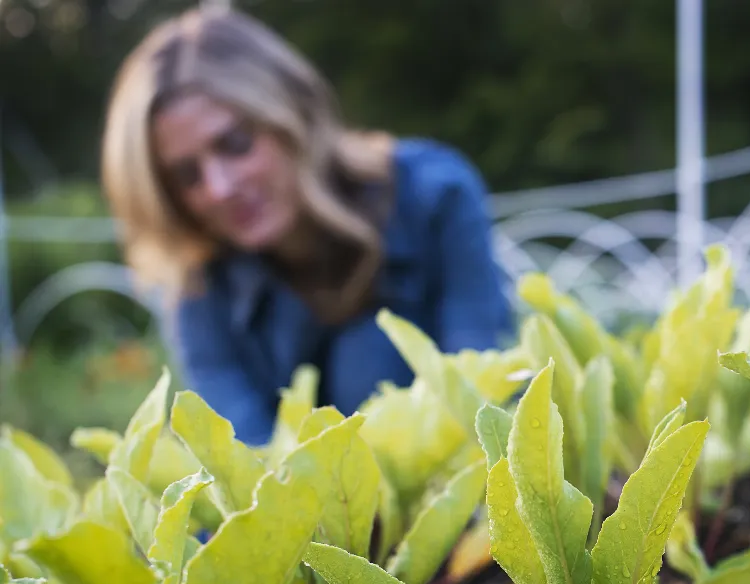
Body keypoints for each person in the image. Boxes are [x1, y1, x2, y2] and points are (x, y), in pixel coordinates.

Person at [100, 7, 514, 447]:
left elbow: (482, 393)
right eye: (187, 175)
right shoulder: (196, 284)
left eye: (235, 144)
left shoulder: (435, 195)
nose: (219, 188)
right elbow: (245, 463)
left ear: (292, 116)